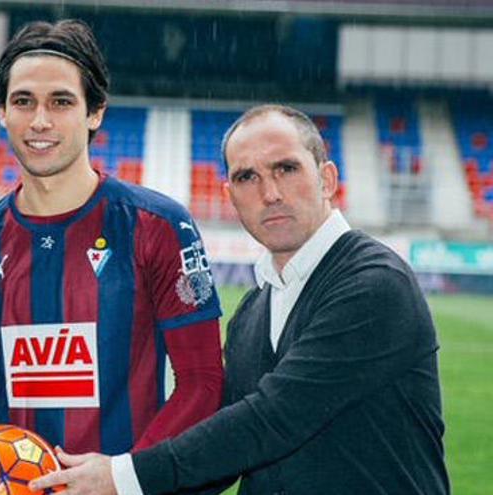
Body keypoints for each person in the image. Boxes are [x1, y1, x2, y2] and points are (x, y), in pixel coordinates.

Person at [31, 104, 449, 495]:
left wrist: (122, 477)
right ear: (230, 195)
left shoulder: (375, 284)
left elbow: (273, 419)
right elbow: (222, 447)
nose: (270, 193)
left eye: (286, 168)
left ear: (327, 180)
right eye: (248, 177)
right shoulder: (251, 312)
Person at [0, 19, 224, 459]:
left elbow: (203, 382)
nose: (40, 120)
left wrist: (124, 476)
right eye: (23, 101)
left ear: (95, 112)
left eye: (60, 102)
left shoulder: (159, 227)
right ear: (2, 112)